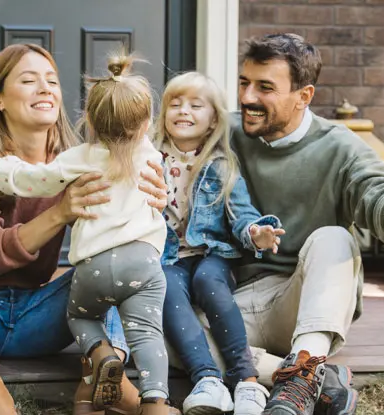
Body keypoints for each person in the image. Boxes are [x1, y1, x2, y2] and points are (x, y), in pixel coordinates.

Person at [181, 33, 384, 415]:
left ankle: (306, 365)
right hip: (229, 303)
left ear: (304, 96)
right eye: (244, 83)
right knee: (161, 326)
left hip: (301, 304)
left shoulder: (341, 146)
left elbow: (374, 189)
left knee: (335, 239)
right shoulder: (224, 133)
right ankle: (310, 381)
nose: (247, 97)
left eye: (265, 88)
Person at [0, 43, 170, 415]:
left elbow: (139, 217)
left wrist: (153, 197)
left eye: (52, 80)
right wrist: (61, 211)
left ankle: (104, 370)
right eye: (29, 80)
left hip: (38, 318)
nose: (45, 88)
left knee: (118, 260)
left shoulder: (83, 159)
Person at [0, 55, 179, 415]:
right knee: (146, 334)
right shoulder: (152, 154)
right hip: (142, 263)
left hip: (94, 266)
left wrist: (5, 169)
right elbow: (164, 193)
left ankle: (101, 352)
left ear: (89, 120)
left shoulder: (81, 156)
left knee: (81, 317)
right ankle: (155, 402)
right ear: (147, 123)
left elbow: (37, 180)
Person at [151, 71, 285, 415]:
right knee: (165, 285)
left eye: (196, 105)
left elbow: (241, 213)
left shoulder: (221, 166)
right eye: (175, 104)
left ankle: (247, 382)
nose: (184, 111)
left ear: (212, 122)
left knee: (208, 280)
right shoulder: (149, 160)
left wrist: (257, 231)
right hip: (168, 257)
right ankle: (206, 379)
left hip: (212, 253)